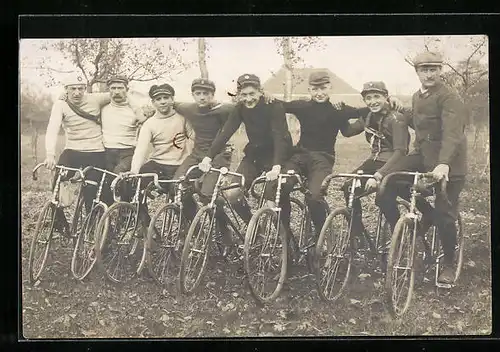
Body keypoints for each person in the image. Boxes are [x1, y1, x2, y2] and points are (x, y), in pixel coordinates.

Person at [375, 52, 467, 284]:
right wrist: (395, 106)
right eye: (424, 70)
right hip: (423, 156)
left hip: (450, 162)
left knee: (445, 214)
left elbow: (452, 134)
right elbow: (417, 119)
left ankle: (447, 263)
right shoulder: (418, 96)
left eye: (433, 69)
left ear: (440, 71)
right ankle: (422, 218)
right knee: (389, 181)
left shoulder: (449, 97)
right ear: (417, 72)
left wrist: (444, 163)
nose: (429, 74)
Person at [198, 74, 293, 228]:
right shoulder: (240, 108)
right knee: (232, 193)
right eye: (244, 95)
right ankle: (253, 228)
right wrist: (208, 157)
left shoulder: (274, 106)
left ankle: (285, 237)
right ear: (239, 94)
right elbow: (225, 133)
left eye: (252, 94)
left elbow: (279, 137)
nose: (248, 99)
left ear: (260, 92)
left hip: (279, 156)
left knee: (274, 200)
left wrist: (277, 166)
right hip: (255, 155)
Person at [340, 81, 410, 240]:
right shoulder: (368, 116)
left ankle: (397, 234)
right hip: (374, 161)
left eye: (377, 96)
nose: (373, 101)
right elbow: (348, 131)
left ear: (386, 96)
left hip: (394, 163)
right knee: (349, 188)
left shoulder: (396, 118)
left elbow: (401, 151)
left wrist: (379, 175)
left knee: (383, 197)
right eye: (368, 98)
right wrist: (340, 114)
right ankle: (358, 233)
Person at [44, 73, 110, 233]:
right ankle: (59, 223)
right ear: (66, 90)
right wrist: (50, 154)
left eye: (81, 88)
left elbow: (121, 94)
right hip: (72, 150)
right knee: (58, 186)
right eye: (72, 89)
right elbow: (52, 128)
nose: (77, 92)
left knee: (91, 191)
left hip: (96, 152)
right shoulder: (60, 104)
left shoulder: (97, 99)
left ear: (85, 89)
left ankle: (93, 227)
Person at [172, 78, 235, 244]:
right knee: (177, 185)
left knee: (207, 194)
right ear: (192, 95)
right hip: (198, 154)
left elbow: (242, 107)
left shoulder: (224, 109)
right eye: (198, 93)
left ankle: (224, 230)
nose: (201, 97)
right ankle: (195, 226)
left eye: (206, 94)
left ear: (212, 95)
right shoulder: (189, 108)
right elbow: (173, 103)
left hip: (219, 155)